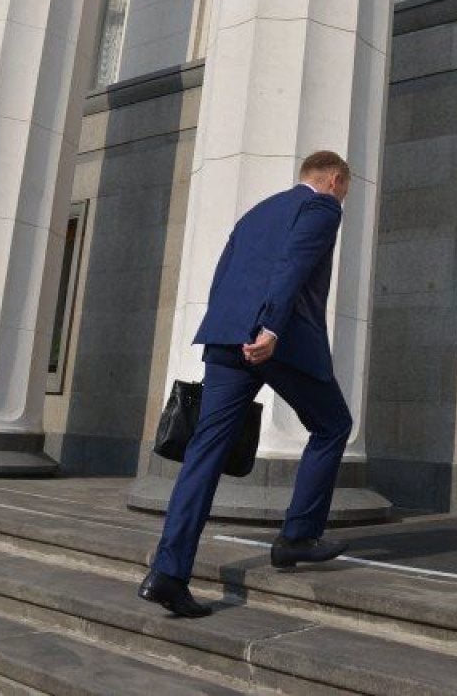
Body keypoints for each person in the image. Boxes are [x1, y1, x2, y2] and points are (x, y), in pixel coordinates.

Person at [138, 150, 354, 618]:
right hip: (278, 341)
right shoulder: (321, 207)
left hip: (226, 336)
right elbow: (294, 265)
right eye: (345, 191)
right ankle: (297, 535)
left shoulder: (258, 211)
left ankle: (168, 573)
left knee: (204, 453)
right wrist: (269, 328)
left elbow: (223, 276)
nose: (342, 199)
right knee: (333, 424)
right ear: (334, 179)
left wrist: (229, 328)